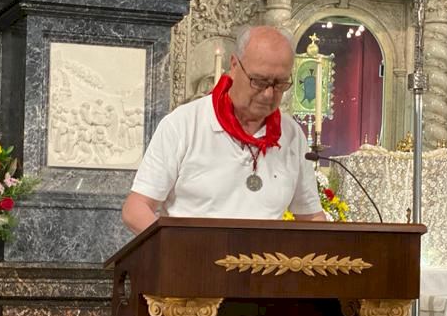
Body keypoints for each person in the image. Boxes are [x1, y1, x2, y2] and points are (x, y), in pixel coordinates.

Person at [122, 25, 326, 233]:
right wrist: (176, 246)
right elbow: (136, 209)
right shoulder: (184, 124)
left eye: (279, 84)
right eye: (259, 81)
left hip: (266, 254)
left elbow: (311, 216)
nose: (268, 94)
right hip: (192, 252)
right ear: (234, 65)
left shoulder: (292, 135)